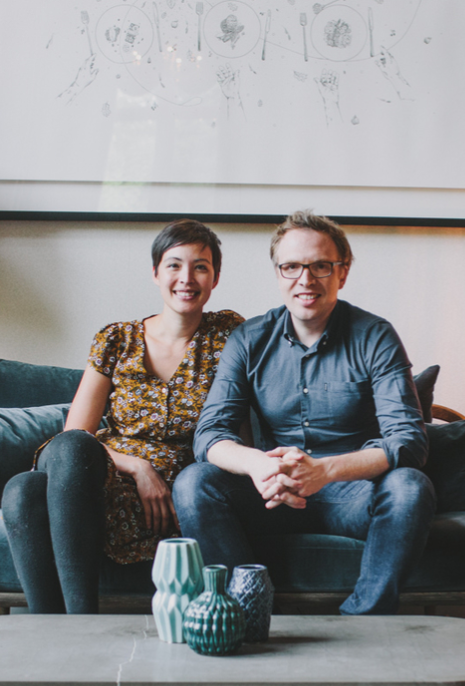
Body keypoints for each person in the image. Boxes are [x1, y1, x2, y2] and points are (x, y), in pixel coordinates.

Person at [173, 210, 436, 615]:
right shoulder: (248, 339)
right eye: (292, 266)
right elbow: (210, 434)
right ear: (278, 273)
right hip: (273, 492)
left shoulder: (375, 336)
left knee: (410, 488)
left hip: (352, 493)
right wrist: (259, 465)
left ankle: (363, 621)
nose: (305, 279)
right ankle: (249, 611)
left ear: (342, 273)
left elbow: (408, 441)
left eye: (320, 266)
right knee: (194, 483)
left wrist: (324, 471)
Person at [2, 220, 243, 614]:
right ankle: (81, 621)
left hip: (168, 487)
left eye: (200, 267)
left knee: (22, 491)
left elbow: (236, 425)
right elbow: (76, 433)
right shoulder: (117, 338)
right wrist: (138, 467)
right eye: (174, 265)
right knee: (74, 447)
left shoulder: (229, 337)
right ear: (156, 273)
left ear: (215, 278)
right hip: (92, 467)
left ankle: (55, 630)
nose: (186, 278)